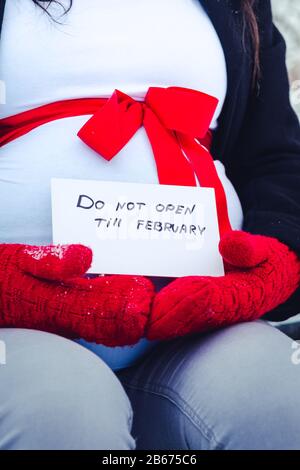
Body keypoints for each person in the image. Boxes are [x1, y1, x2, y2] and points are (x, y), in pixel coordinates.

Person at [0, 0, 300, 450]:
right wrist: (10, 288)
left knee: (276, 396)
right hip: (21, 332)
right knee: (60, 412)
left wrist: (274, 264)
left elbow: (274, 156)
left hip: (197, 325)